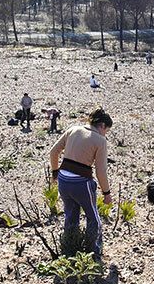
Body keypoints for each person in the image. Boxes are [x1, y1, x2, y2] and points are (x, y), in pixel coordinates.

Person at [49, 108, 114, 260]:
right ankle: (93, 254)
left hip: (64, 180)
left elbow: (53, 152)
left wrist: (55, 173)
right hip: (81, 183)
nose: (105, 134)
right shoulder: (100, 141)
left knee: (71, 216)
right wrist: (106, 193)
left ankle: (69, 249)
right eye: (107, 131)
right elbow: (101, 172)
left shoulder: (73, 130)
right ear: (102, 126)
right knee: (93, 218)